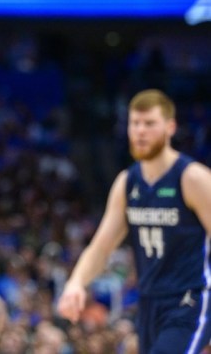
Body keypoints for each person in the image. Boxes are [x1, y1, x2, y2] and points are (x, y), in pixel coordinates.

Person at [57, 89, 211, 354]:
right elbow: (101, 247)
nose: (140, 131)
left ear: (170, 127)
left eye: (149, 123)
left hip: (190, 300)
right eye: (135, 123)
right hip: (149, 301)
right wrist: (76, 282)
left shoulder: (193, 178)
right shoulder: (127, 183)